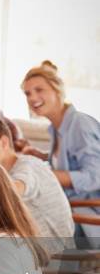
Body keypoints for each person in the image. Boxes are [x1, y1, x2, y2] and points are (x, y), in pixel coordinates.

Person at [21, 60, 100, 241]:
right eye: (27, 93)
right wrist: (40, 156)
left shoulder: (79, 124)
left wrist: (46, 175)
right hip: (68, 207)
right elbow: (69, 162)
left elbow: (95, 176)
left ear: (57, 90)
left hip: (88, 215)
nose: (32, 98)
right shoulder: (57, 127)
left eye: (39, 90)